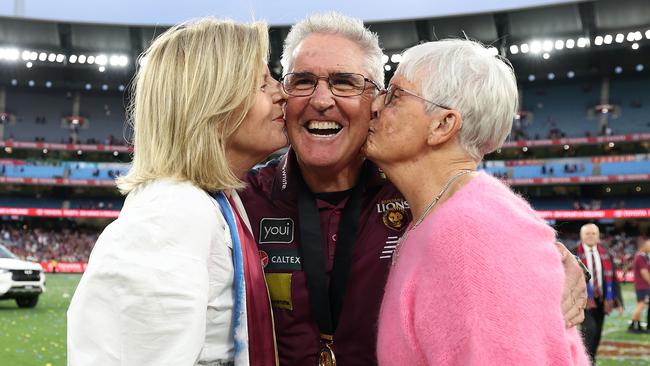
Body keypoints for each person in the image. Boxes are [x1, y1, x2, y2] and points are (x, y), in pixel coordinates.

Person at [240, 12, 588, 366]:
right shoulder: (243, 201)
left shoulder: (418, 200)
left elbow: (489, 244)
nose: (322, 100)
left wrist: (559, 262)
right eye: (302, 81)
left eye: (345, 82)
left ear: (371, 96)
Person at [67, 18, 286, 365]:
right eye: (262, 85)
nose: (282, 93)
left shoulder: (214, 199)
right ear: (212, 103)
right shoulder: (171, 212)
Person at [364, 39, 590, 365]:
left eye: (395, 95)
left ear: (443, 125)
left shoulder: (470, 229)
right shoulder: (447, 215)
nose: (375, 105)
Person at [574, 223, 624, 363]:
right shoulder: (574, 254)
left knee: (597, 334)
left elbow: (614, 279)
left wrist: (618, 301)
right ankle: (585, 360)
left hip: (603, 301)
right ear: (581, 236)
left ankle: (592, 359)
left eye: (593, 233)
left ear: (598, 236)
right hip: (583, 301)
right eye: (587, 233)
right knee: (590, 330)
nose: (590, 236)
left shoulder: (606, 254)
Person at [628, 239, 650, 333]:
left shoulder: (643, 256)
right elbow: (644, 272)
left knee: (641, 305)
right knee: (641, 305)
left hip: (642, 286)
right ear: (644, 246)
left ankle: (637, 325)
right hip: (643, 286)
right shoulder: (640, 257)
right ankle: (632, 326)